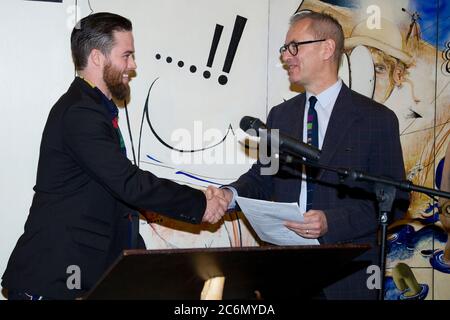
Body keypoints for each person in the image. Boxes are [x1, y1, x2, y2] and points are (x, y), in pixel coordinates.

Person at [1, 12, 227, 300]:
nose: (133, 66)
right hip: (55, 280)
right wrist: (200, 203)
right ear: (97, 57)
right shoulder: (81, 113)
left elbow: (116, 194)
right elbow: (129, 184)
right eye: (127, 55)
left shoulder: (93, 109)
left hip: (82, 278)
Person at [207, 11, 409, 299]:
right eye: (284, 49)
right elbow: (262, 178)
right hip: (288, 273)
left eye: (294, 47)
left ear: (327, 48)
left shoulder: (376, 119)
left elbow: (396, 200)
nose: (286, 57)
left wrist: (331, 221)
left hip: (349, 275)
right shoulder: (281, 115)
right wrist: (230, 196)